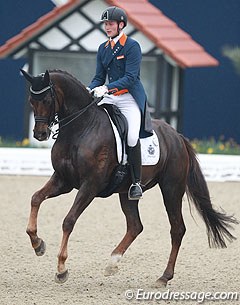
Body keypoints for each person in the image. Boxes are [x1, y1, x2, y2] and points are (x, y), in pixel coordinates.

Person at [88, 6, 152, 200]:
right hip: (110, 95)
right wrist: (88, 89)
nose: (107, 27)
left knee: (132, 137)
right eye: (106, 24)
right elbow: (99, 77)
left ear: (121, 25)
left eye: (111, 24)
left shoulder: (132, 46)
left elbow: (131, 77)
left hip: (129, 97)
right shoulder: (103, 48)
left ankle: (136, 183)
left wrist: (107, 88)